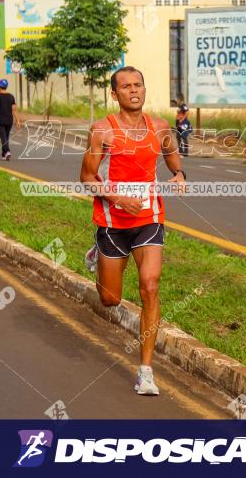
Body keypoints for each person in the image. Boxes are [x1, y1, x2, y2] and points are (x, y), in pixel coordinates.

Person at [79, 66, 186, 396]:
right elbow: (86, 178)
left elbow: (171, 153)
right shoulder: (102, 132)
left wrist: (179, 174)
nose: (133, 90)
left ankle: (146, 372)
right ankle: (98, 254)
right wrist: (117, 197)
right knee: (110, 300)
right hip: (112, 221)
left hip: (149, 219)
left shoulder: (160, 127)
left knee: (150, 286)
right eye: (125, 87)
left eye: (138, 84)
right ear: (115, 95)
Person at [0, 79, 20, 161]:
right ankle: (3, 154)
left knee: (3, 137)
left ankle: (7, 151)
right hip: (9, 120)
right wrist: (17, 120)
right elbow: (14, 109)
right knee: (6, 137)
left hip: (0, 121)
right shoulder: (11, 96)